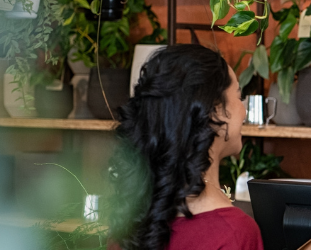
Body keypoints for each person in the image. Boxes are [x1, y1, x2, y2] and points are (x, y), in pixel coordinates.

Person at [106, 44, 262, 250]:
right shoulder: (234, 232)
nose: (243, 111)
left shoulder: (129, 219)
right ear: (215, 111)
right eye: (239, 96)